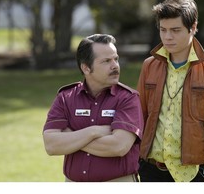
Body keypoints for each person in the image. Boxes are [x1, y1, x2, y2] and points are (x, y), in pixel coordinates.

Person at [136, 0, 204, 182]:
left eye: (175, 30)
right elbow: (138, 118)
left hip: (190, 174)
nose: (168, 37)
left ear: (193, 27)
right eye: (163, 30)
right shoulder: (149, 65)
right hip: (150, 170)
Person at [43, 34, 144, 182]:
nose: (115, 65)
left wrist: (72, 138)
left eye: (116, 59)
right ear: (86, 68)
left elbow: (118, 146)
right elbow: (51, 145)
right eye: (106, 61)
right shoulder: (66, 97)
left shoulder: (128, 98)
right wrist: (93, 131)